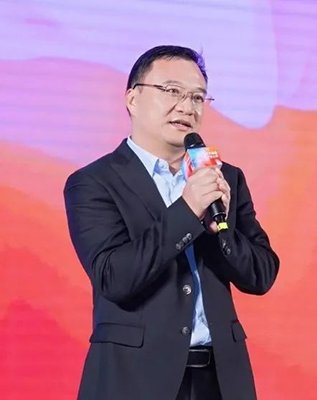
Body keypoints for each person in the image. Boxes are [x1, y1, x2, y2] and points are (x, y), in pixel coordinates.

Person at [64, 45, 279, 400]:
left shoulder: (224, 178)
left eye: (197, 97)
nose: (187, 107)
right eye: (172, 91)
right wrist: (188, 210)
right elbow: (115, 278)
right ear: (133, 99)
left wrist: (218, 231)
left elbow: (261, 275)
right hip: (133, 380)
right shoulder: (94, 182)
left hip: (220, 381)